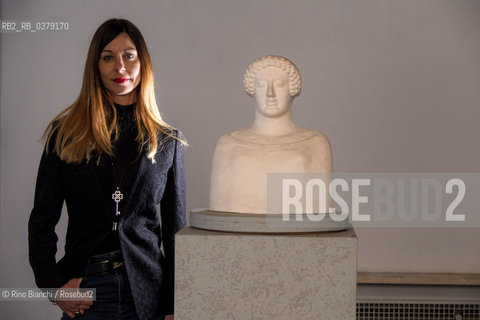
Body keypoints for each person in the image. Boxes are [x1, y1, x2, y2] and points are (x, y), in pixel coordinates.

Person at [28, 18, 186, 320]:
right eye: (108, 57)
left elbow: (175, 233)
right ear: (96, 66)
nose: (120, 67)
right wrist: (53, 284)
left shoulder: (167, 141)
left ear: (143, 63)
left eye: (129, 55)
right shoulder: (66, 133)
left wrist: (173, 305)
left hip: (148, 292)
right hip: (88, 289)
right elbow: (42, 219)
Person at [209, 55, 332, 214]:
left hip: (300, 231)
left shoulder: (315, 143)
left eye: (280, 84)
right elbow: (219, 207)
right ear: (252, 89)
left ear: (292, 89)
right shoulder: (227, 144)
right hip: (238, 230)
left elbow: (321, 210)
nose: (270, 93)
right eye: (261, 85)